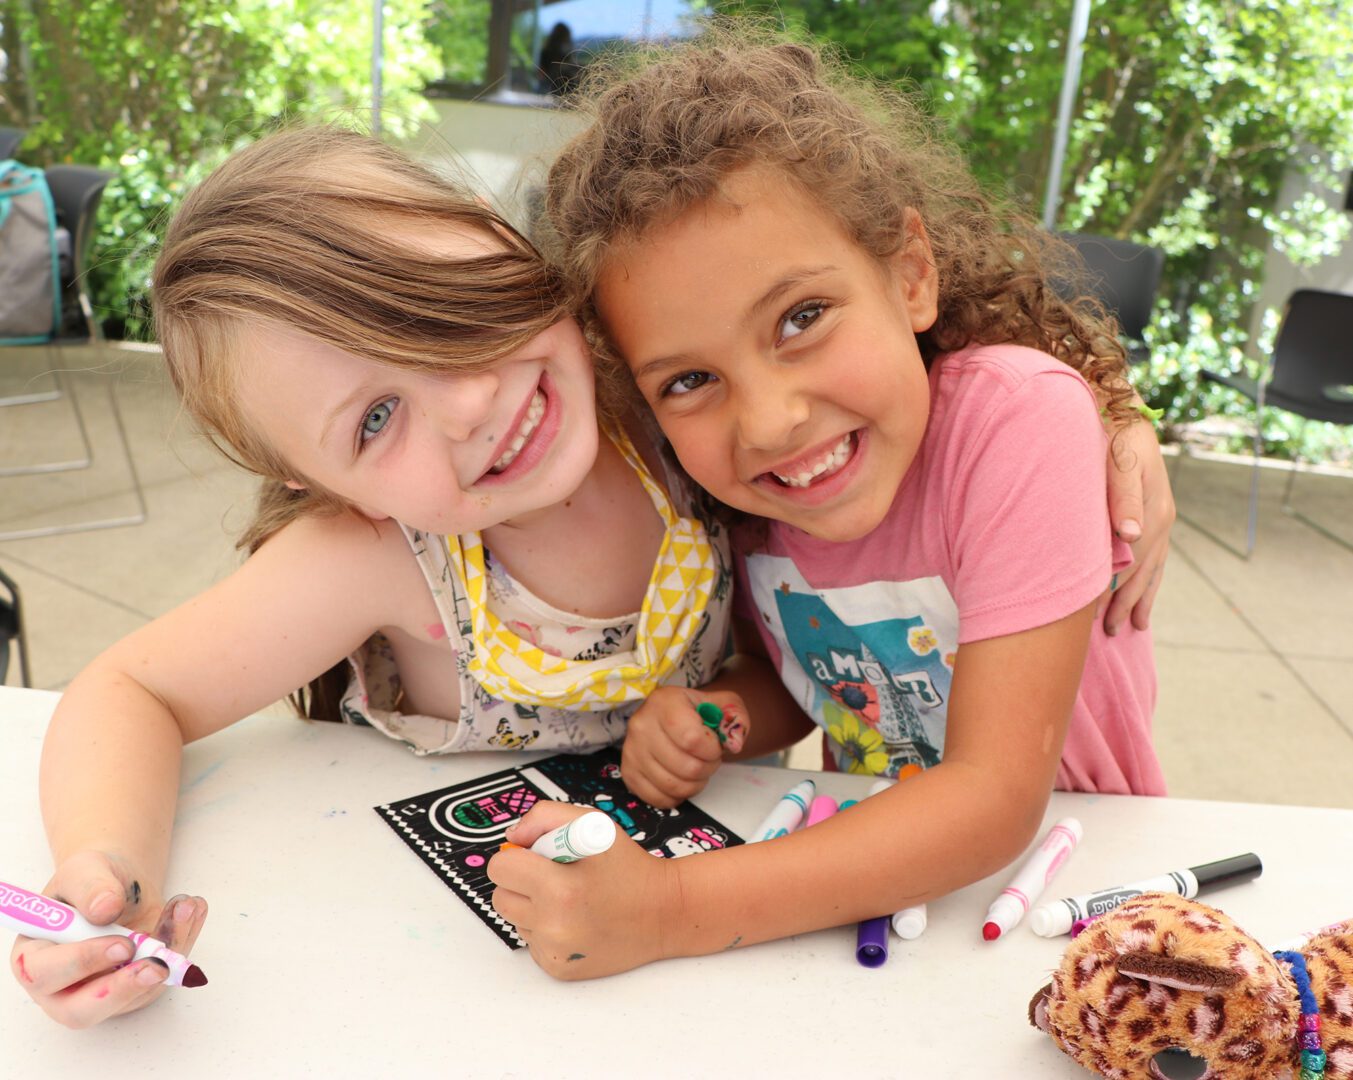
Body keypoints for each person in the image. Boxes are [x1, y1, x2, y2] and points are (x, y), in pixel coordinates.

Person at [8, 125, 739, 1028]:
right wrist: (103, 867)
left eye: (441, 302)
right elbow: (131, 689)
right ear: (317, 486)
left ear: (490, 228)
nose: (470, 401)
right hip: (464, 996)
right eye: (377, 417)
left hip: (742, 922)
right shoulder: (374, 554)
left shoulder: (668, 385)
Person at [487, 33, 1172, 980]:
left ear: (909, 274)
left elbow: (993, 795)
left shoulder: (1015, 423)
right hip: (873, 919)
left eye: (800, 318)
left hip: (1076, 910)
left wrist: (668, 909)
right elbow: (806, 678)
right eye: (689, 379)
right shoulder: (745, 503)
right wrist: (721, 715)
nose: (768, 423)